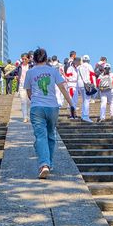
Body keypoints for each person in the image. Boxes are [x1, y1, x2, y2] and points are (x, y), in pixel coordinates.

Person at [24, 47, 73, 179]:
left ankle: (44, 164)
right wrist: (71, 104)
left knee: (40, 136)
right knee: (51, 135)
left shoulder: (30, 72)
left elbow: (28, 91)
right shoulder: (53, 70)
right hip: (52, 107)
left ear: (33, 59)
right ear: (46, 58)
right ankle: (49, 163)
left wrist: (34, 99)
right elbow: (62, 87)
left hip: (37, 107)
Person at [77, 54, 97, 122]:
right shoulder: (89, 66)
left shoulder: (79, 67)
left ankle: (83, 114)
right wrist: (94, 84)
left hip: (79, 84)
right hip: (87, 84)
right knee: (87, 100)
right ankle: (85, 116)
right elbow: (92, 75)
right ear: (88, 60)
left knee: (84, 100)